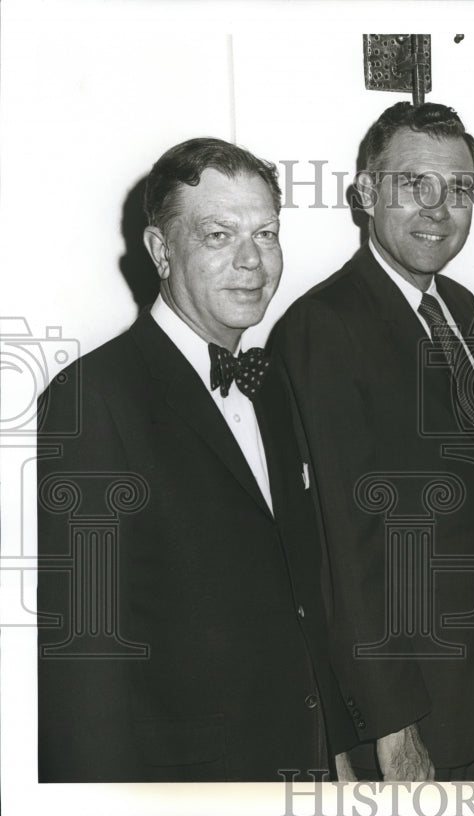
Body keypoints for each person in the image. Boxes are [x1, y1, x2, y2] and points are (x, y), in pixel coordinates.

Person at [36, 138, 356, 782]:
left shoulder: (270, 384)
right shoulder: (94, 398)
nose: (252, 260)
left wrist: (339, 754)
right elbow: (83, 656)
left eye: (266, 234)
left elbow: (300, 597)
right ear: (160, 250)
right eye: (219, 234)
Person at [269, 102, 474, 781]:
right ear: (366, 194)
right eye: (413, 184)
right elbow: (345, 548)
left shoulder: (458, 307)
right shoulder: (322, 327)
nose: (438, 208)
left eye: (458, 189)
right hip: (406, 711)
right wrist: (390, 727)